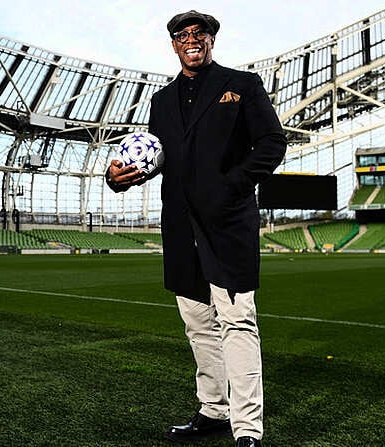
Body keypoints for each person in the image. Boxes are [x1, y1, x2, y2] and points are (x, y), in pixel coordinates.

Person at [106, 10, 287, 447]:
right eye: (183, 34)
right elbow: (152, 158)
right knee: (198, 324)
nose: (192, 39)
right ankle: (213, 410)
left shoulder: (241, 86)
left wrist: (232, 186)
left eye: (200, 33)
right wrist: (116, 177)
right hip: (180, 225)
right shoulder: (161, 101)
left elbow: (272, 143)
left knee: (238, 322)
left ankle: (247, 428)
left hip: (228, 223)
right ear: (173, 44)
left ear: (210, 40)